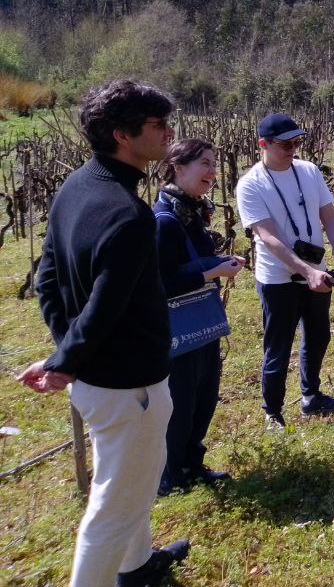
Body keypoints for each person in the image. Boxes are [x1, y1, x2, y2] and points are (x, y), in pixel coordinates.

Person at [17, 80, 191, 587]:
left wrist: (69, 352)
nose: (170, 133)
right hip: (127, 385)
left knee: (128, 481)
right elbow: (105, 306)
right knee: (116, 504)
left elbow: (48, 276)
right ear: (123, 135)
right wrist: (65, 361)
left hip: (100, 380)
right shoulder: (132, 215)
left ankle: (136, 567)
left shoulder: (77, 186)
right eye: (158, 126)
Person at [235, 112, 334, 430]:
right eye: (285, 144)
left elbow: (329, 216)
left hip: (316, 271)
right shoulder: (250, 185)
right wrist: (305, 271)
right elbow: (268, 236)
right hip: (278, 278)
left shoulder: (309, 171)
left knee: (318, 335)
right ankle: (272, 411)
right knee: (279, 345)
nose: (293, 149)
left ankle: (311, 397)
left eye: (297, 142)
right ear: (263, 144)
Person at [153, 138, 245, 494]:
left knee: (204, 396)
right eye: (204, 163)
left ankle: (192, 463)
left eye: (214, 163)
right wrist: (213, 273)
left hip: (200, 326)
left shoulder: (190, 213)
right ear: (178, 167)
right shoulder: (165, 222)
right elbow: (161, 282)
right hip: (177, 331)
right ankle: (169, 474)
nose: (212, 171)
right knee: (182, 400)